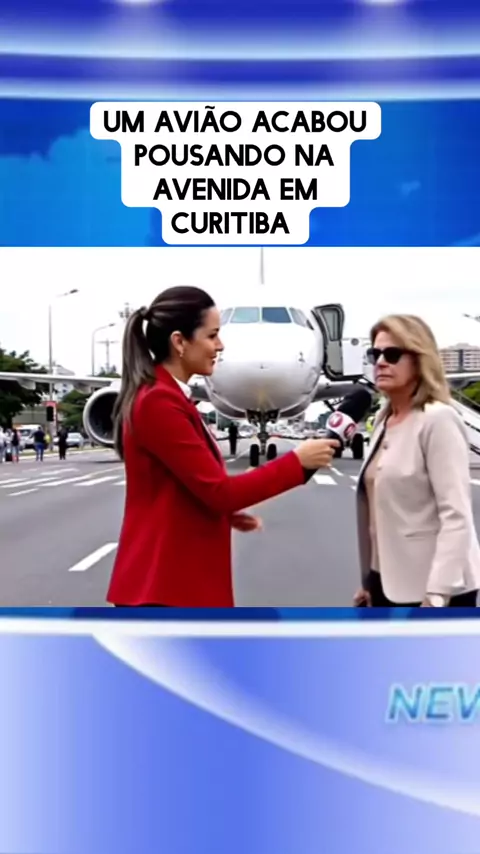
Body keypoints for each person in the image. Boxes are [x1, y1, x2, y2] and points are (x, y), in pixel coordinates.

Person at [108, 286, 339, 607]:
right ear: (180, 342)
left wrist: (220, 514)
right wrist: (298, 463)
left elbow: (182, 484)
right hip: (164, 587)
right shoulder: (159, 402)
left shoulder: (166, 396)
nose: (220, 345)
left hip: (171, 583)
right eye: (212, 335)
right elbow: (219, 491)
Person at [354, 314, 480, 608]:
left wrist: (437, 594)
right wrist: (370, 581)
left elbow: (456, 515)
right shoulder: (384, 420)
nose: (380, 362)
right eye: (375, 354)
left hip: (435, 589)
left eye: (392, 354)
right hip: (387, 583)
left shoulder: (437, 419)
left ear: (420, 360)